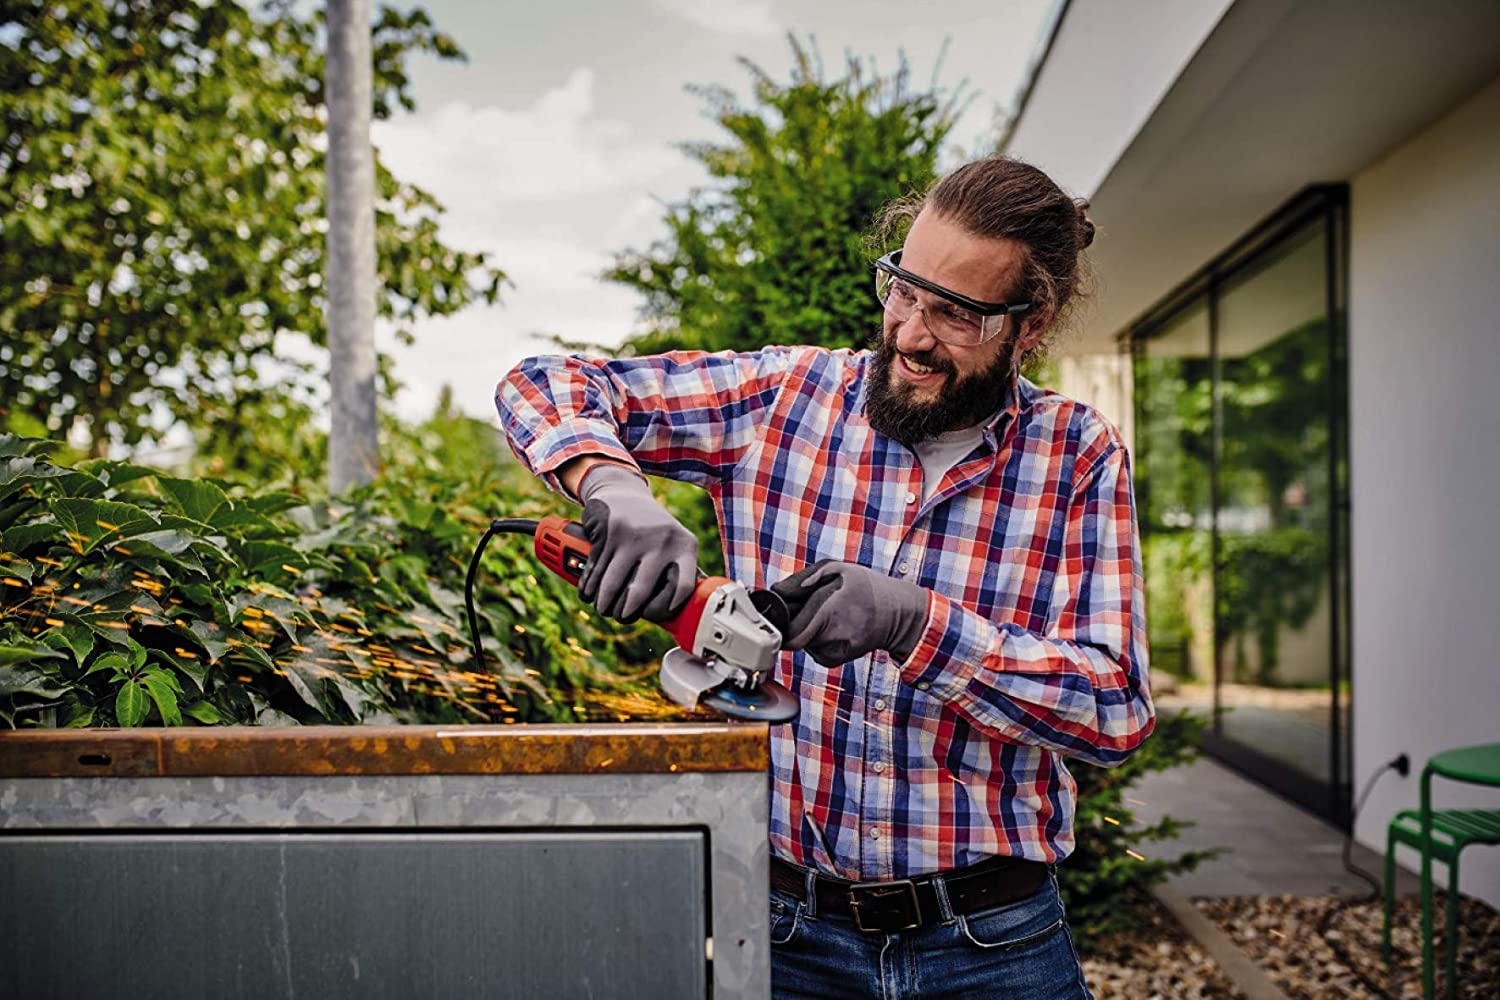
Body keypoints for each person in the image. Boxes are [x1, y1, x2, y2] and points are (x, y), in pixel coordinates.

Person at [496, 155, 1154, 999]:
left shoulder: (1076, 454)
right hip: (785, 935)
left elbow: (1115, 709)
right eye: (905, 290)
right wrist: (610, 481)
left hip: (995, 945)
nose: (912, 334)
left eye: (956, 314)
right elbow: (540, 382)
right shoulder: (784, 398)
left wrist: (919, 626)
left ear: (1029, 326)